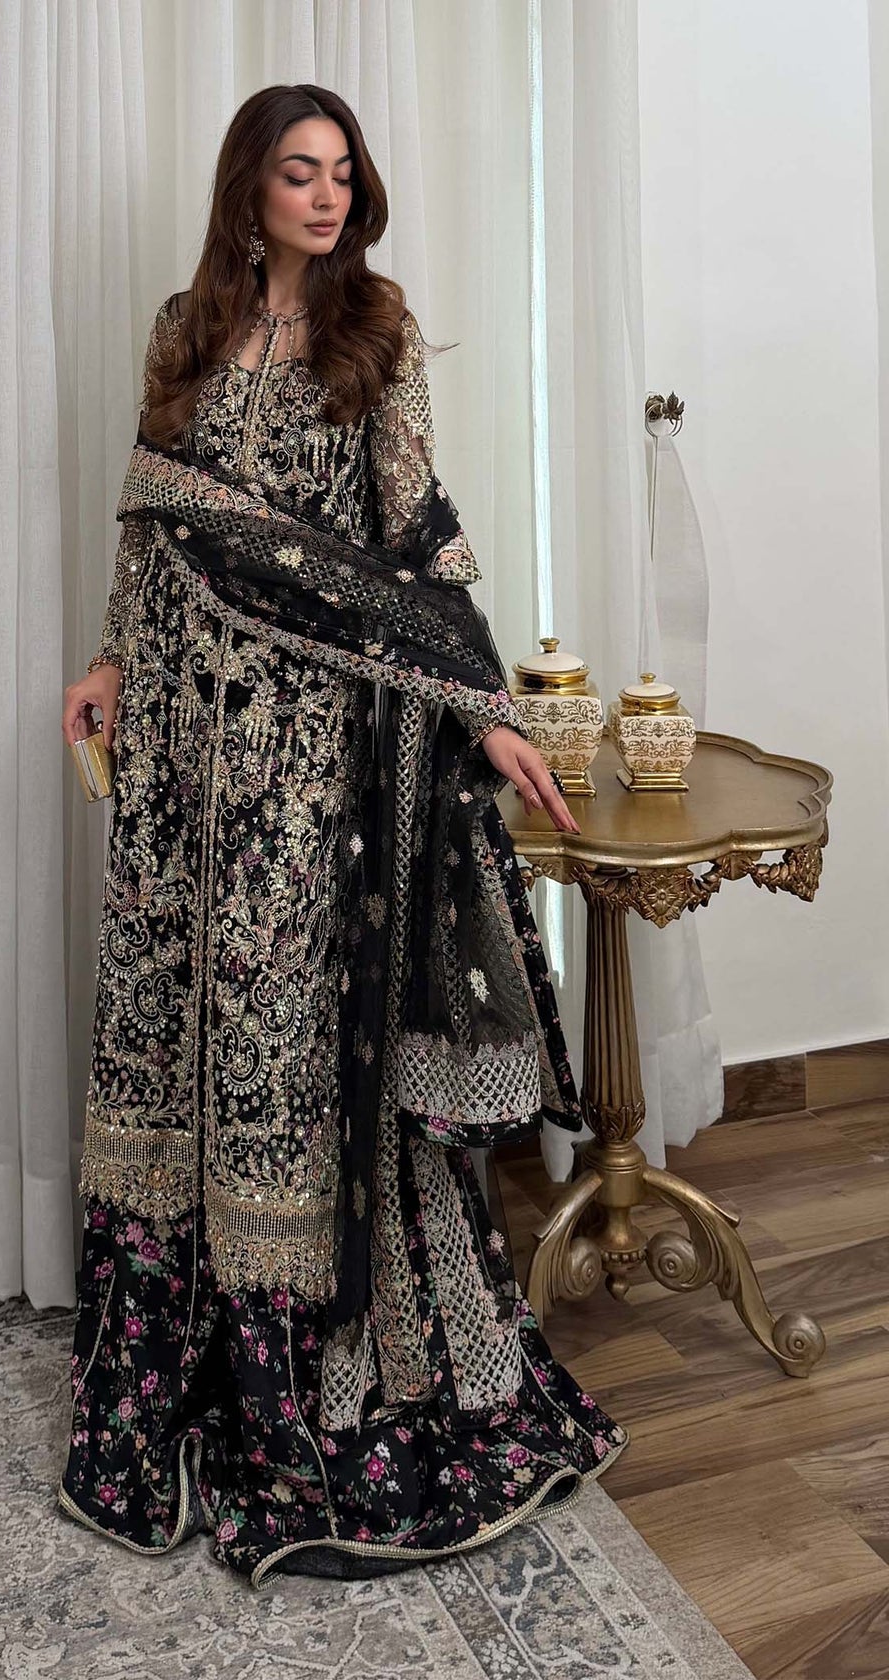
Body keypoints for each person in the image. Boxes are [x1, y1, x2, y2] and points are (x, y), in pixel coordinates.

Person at [58, 83, 628, 1590]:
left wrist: (483, 707)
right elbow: (151, 521)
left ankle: (288, 1383)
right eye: (298, 173)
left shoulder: (376, 334)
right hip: (173, 750)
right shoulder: (184, 331)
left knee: (274, 1044)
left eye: (341, 173)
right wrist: (110, 660)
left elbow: (415, 545)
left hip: (304, 761)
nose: (325, 195)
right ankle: (168, 1370)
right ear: (249, 189)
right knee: (171, 1025)